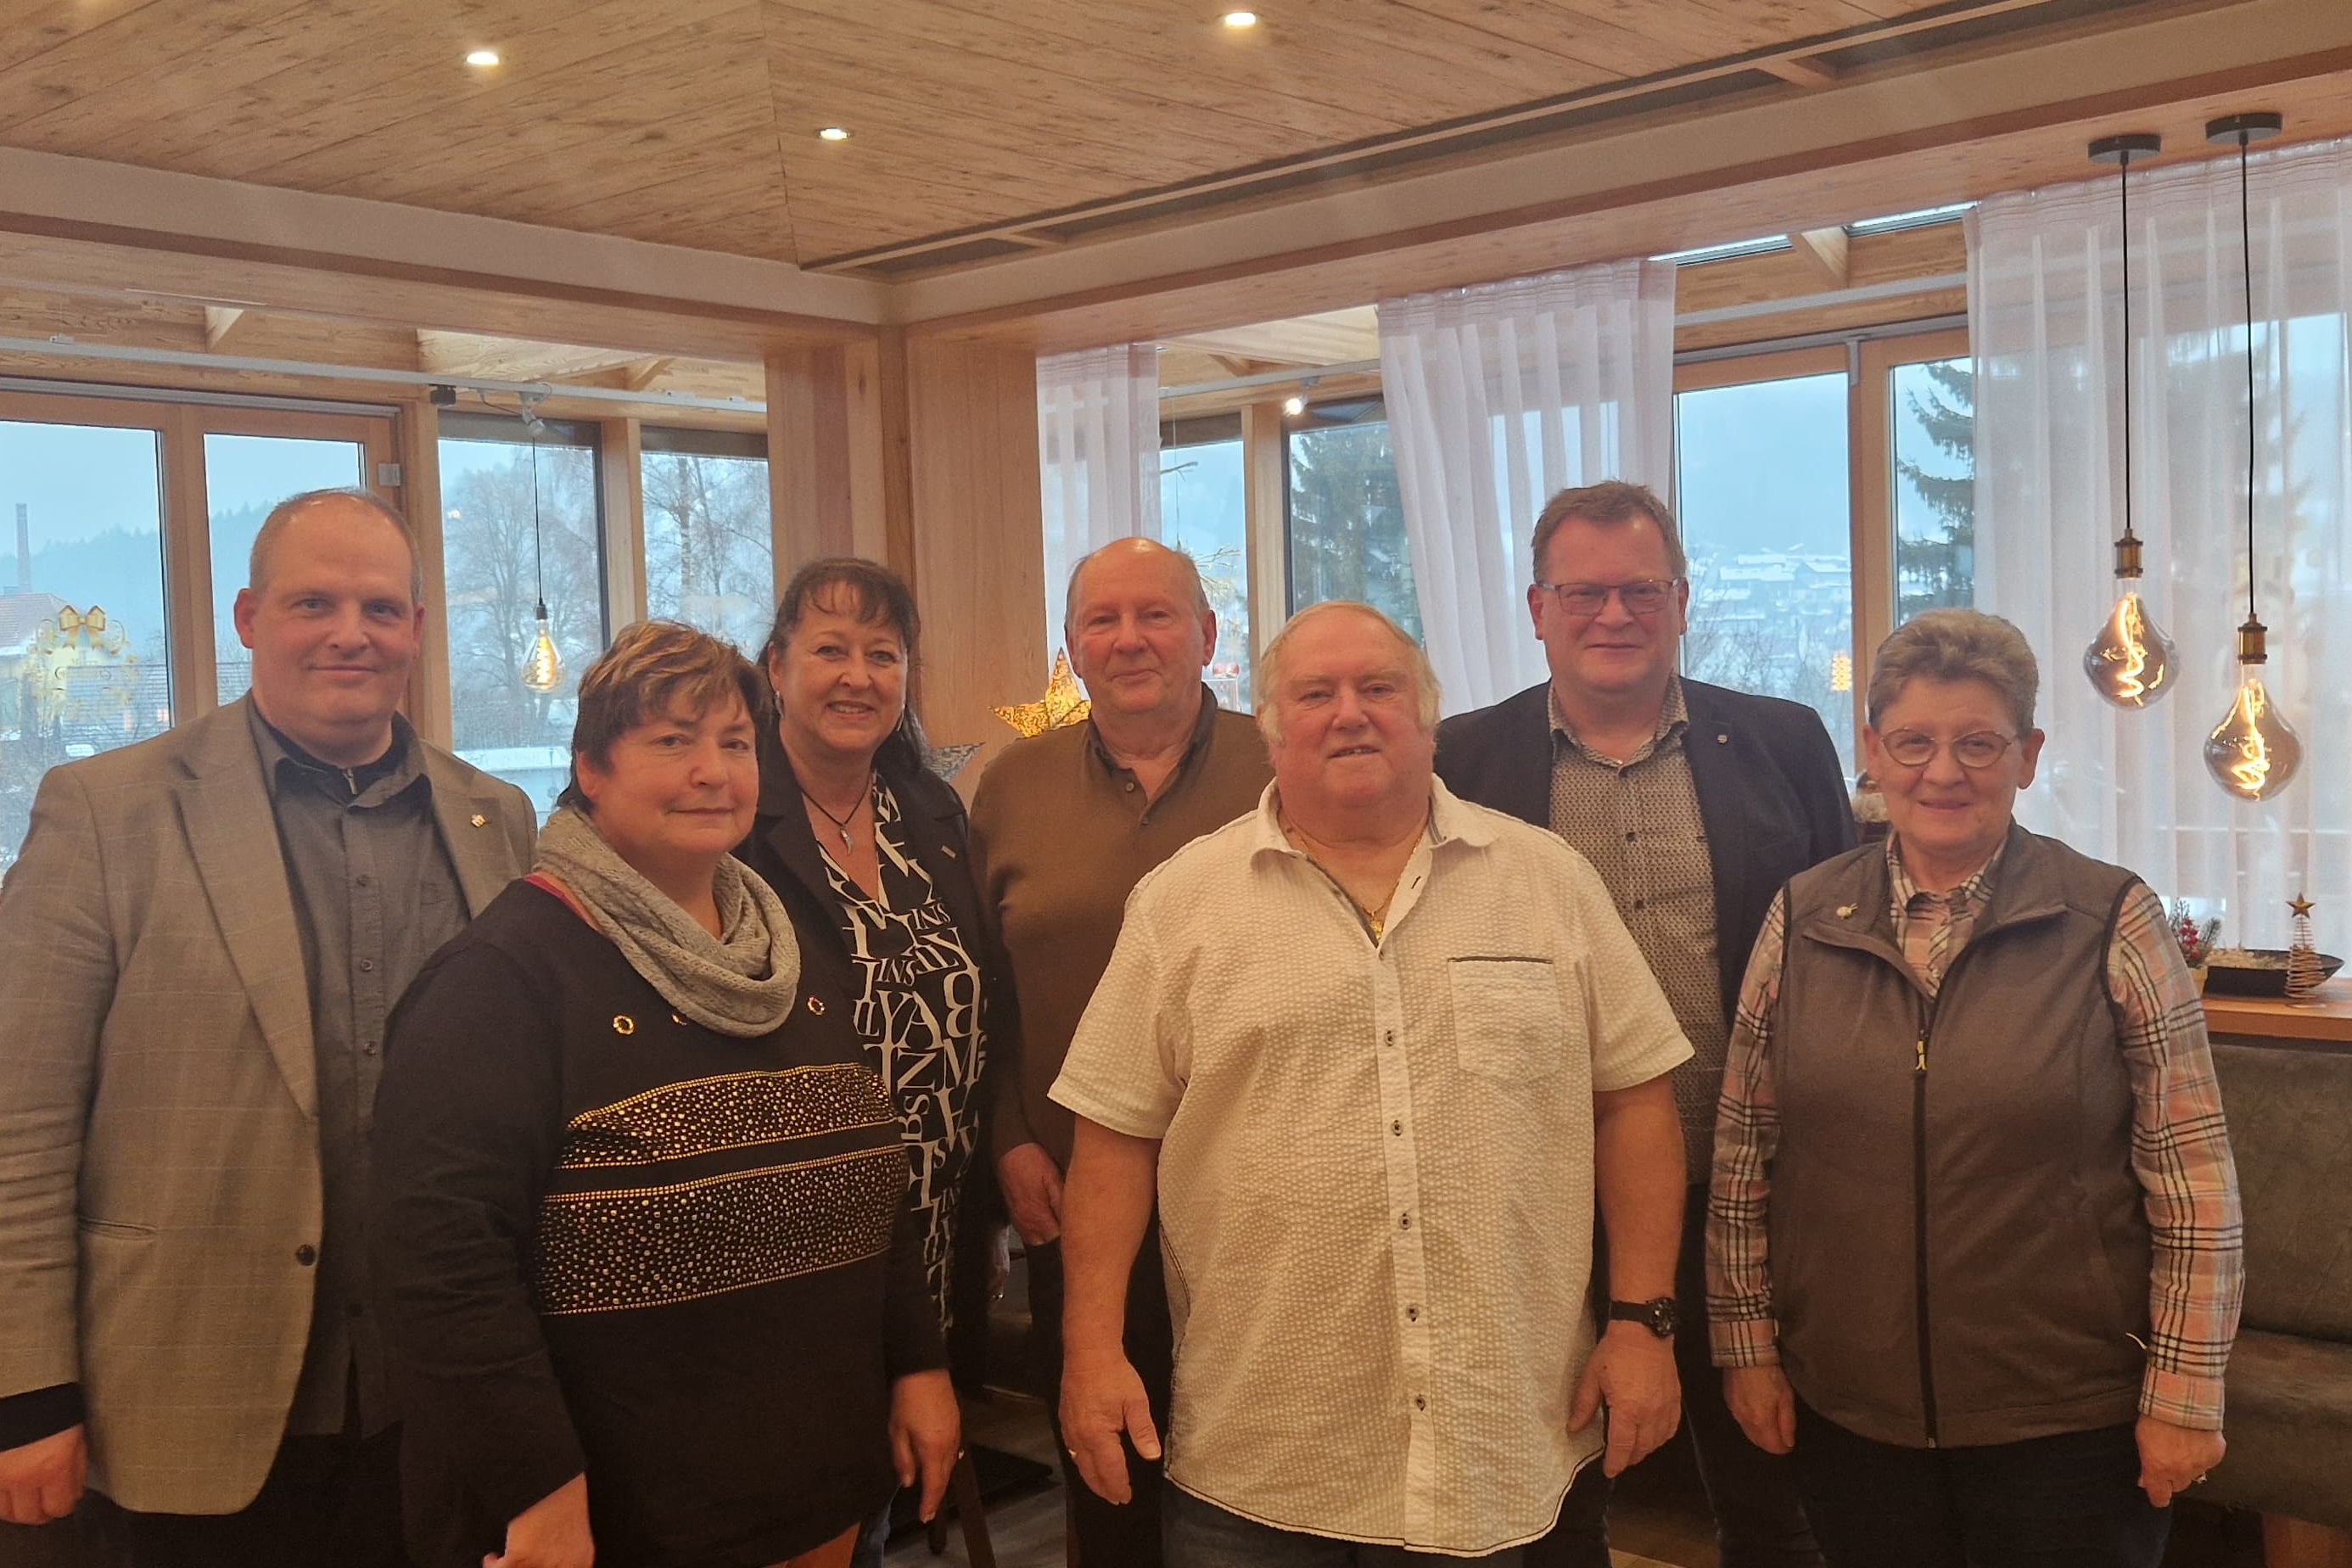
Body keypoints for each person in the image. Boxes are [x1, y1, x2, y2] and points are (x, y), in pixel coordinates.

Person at [1054, 601, 1693, 1564]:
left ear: (1429, 717)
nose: (1349, 713)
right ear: (1270, 729)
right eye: (1316, 694)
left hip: (1504, 1445)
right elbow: (1113, 1137)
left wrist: (1644, 1323)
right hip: (1262, 1459)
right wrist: (1091, 1350)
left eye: (1379, 688)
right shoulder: (1181, 903)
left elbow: (1636, 1103)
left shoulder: (1546, 880)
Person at [0, 488, 535, 1565]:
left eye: (382, 608)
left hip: (436, 1405)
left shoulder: (496, 819)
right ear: (248, 619)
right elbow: (22, 1125)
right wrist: (26, 1390)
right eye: (313, 602)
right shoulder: (106, 812)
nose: (351, 633)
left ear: (418, 633)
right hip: (179, 1396)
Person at [371, 621, 959, 1568]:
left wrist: (919, 1364)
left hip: (822, 1487)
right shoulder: (502, 979)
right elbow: (440, 1268)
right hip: (616, 1515)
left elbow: (865, 1176)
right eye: (672, 743)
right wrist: (538, 1487)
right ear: (590, 769)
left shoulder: (791, 955)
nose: (714, 773)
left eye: (734, 744)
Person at [1707, 608, 2242, 1566]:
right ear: (1871, 750)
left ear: (2028, 756)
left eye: (1978, 743)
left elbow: (2195, 1183)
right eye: (1912, 741)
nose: (1942, 772)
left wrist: (2185, 1396)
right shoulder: (1802, 918)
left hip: (2066, 1423)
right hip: (1851, 1415)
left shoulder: (2111, 919)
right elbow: (1746, 1157)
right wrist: (1744, 1345)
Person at [1436, 480, 1850, 1567]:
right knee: (1546, 1482)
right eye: (1583, 592)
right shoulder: (1459, 762)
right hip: (1534, 1191)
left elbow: (1841, 947)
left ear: (1681, 601)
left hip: (1740, 1184)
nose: (1612, 614)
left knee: (1772, 1488)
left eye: (1640, 590)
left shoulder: (1784, 741)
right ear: (1536, 607)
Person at [969, 536, 1272, 1565]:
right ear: (1073, 646)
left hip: (1262, 1200)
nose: (1131, 639)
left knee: (1262, 1476)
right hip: (1073, 1195)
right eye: (1104, 620)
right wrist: (1007, 1137)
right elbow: (984, 994)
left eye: (1157, 615)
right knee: (1108, 1475)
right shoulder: (1012, 786)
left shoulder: (1285, 766)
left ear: (1208, 636)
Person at [736, 558, 1011, 1561]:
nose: (858, 676)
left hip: (935, 1229)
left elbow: (987, 1006)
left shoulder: (931, 815)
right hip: (799, 1247)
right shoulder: (734, 820)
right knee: (811, 1505)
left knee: (895, 1493)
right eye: (829, 649)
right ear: (775, 666)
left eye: (882, 654)